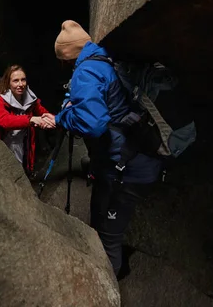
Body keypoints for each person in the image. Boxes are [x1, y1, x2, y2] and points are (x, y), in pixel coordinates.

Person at [53, 20, 161, 277]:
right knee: (101, 204)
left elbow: (93, 124)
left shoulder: (84, 73)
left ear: (68, 56)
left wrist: (61, 118)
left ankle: (107, 281)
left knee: (107, 234)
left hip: (127, 167)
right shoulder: (104, 59)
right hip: (138, 151)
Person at [0, 65, 56, 174]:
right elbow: (4, 120)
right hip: (4, 144)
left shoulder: (29, 99)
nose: (20, 84)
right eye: (16, 81)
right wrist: (31, 119)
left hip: (23, 145)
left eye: (23, 80)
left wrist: (59, 120)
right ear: (8, 83)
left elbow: (44, 113)